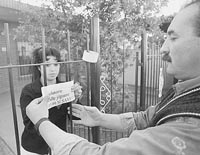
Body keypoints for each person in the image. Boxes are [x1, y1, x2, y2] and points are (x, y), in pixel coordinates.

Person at [26, 1, 200, 155]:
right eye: (47, 64)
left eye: (173, 37)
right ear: (38, 67)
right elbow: (147, 118)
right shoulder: (184, 92)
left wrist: (43, 119)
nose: (163, 48)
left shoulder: (189, 125)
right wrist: (100, 118)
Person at [20, 47, 82, 155]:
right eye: (47, 65)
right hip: (34, 148)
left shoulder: (65, 88)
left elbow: (76, 117)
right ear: (39, 67)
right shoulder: (28, 91)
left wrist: (75, 100)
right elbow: (29, 125)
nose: (53, 69)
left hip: (59, 147)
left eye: (56, 64)